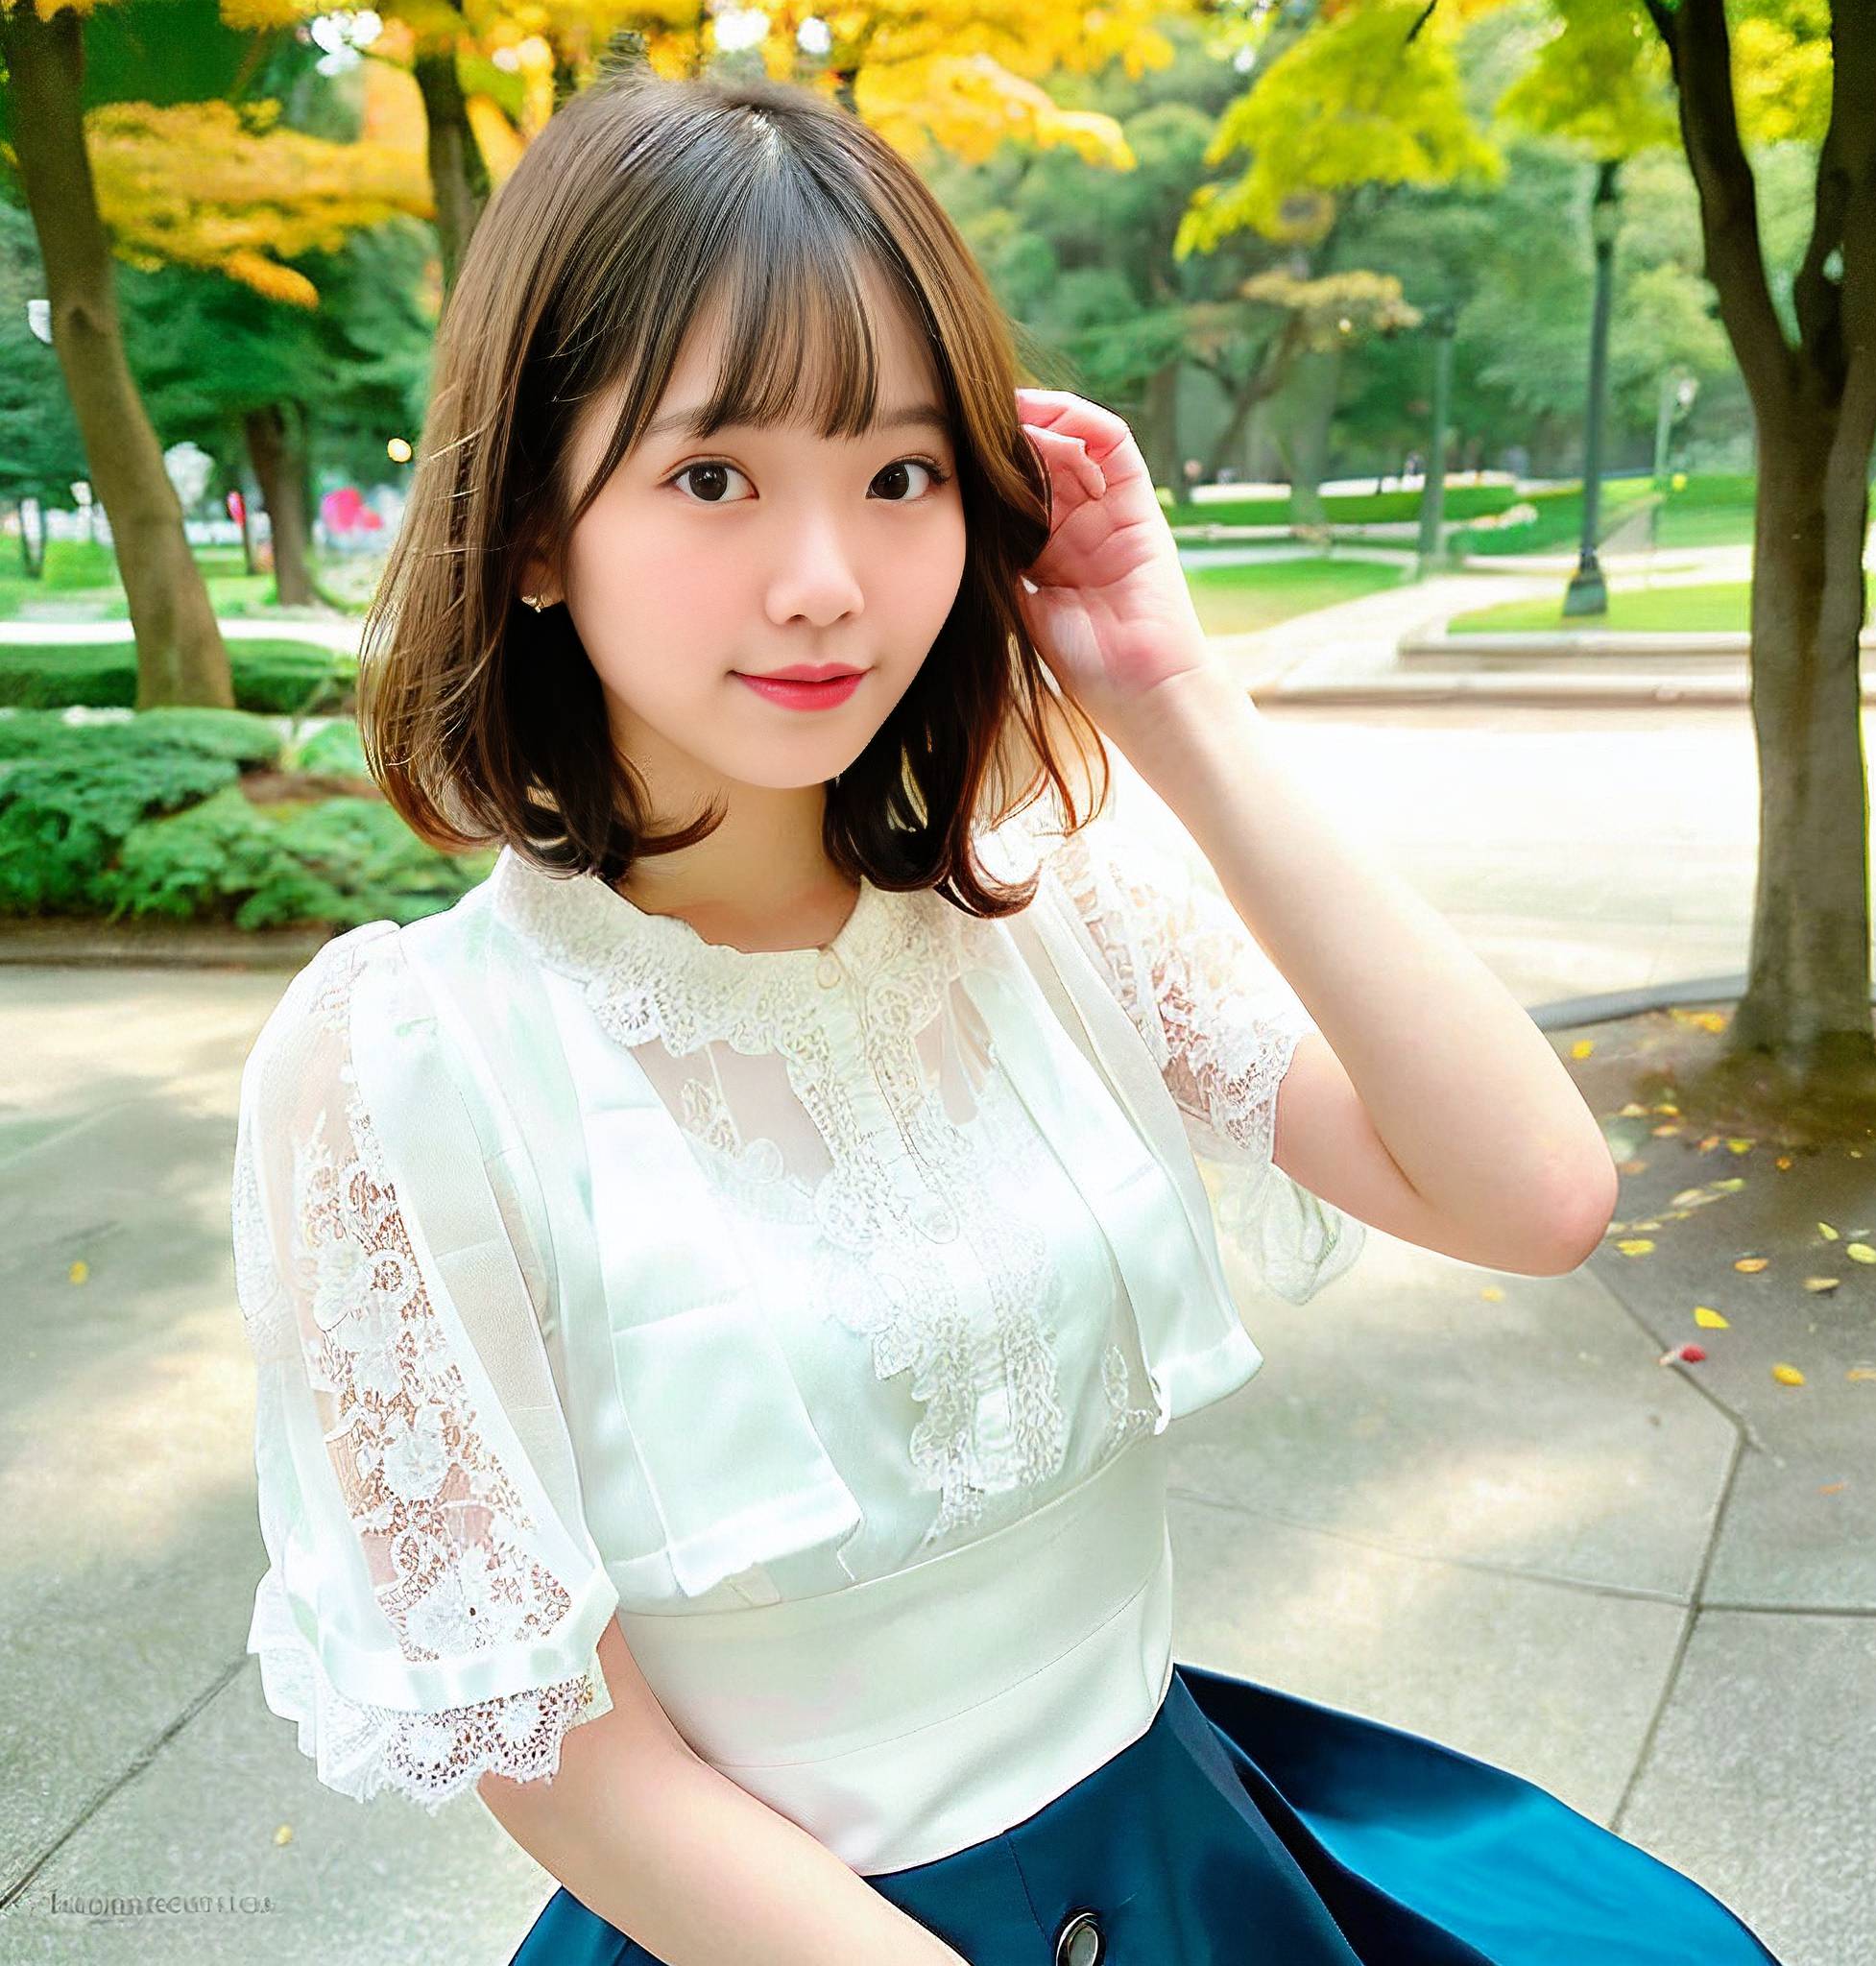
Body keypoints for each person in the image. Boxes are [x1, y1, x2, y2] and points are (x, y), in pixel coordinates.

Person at [228, 68, 1789, 1966]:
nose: (827, 584)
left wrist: (1171, 697)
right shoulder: (410, 1070)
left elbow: (1528, 1194)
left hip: (1184, 1852)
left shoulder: (1043, 903)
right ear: (535, 526)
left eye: (897, 474)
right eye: (712, 476)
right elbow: (560, 1748)